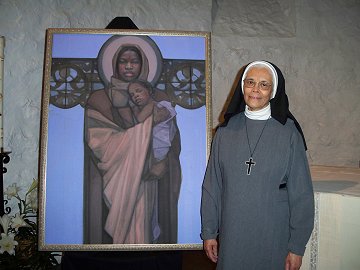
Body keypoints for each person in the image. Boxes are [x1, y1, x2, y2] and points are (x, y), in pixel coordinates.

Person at [201, 60, 314, 270]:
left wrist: (297, 247)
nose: (255, 89)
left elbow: (302, 195)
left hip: (273, 237)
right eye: (250, 82)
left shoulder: (289, 133)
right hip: (233, 235)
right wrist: (209, 232)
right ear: (242, 86)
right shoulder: (225, 132)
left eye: (264, 84)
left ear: (274, 91)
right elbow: (212, 186)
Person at [83, 43, 181, 244]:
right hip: (116, 178)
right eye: (123, 61)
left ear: (144, 65)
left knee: (147, 224)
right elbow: (97, 141)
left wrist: (163, 162)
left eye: (134, 61)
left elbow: (172, 139)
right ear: (114, 64)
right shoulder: (99, 99)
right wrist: (143, 130)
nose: (129, 66)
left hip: (150, 177)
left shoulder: (159, 98)